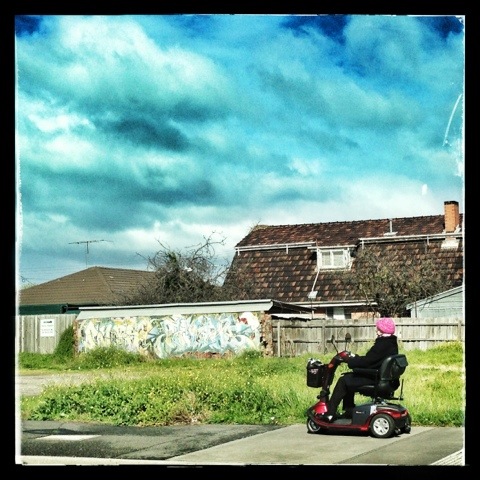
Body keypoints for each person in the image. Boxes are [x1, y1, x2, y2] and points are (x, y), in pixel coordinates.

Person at [323, 317, 398, 421]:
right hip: (383, 378)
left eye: (378, 329)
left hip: (375, 378)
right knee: (349, 377)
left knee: (343, 381)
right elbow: (372, 360)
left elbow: (367, 362)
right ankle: (349, 411)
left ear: (382, 330)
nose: (376, 331)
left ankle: (330, 413)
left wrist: (350, 361)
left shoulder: (382, 344)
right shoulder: (391, 343)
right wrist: (356, 358)